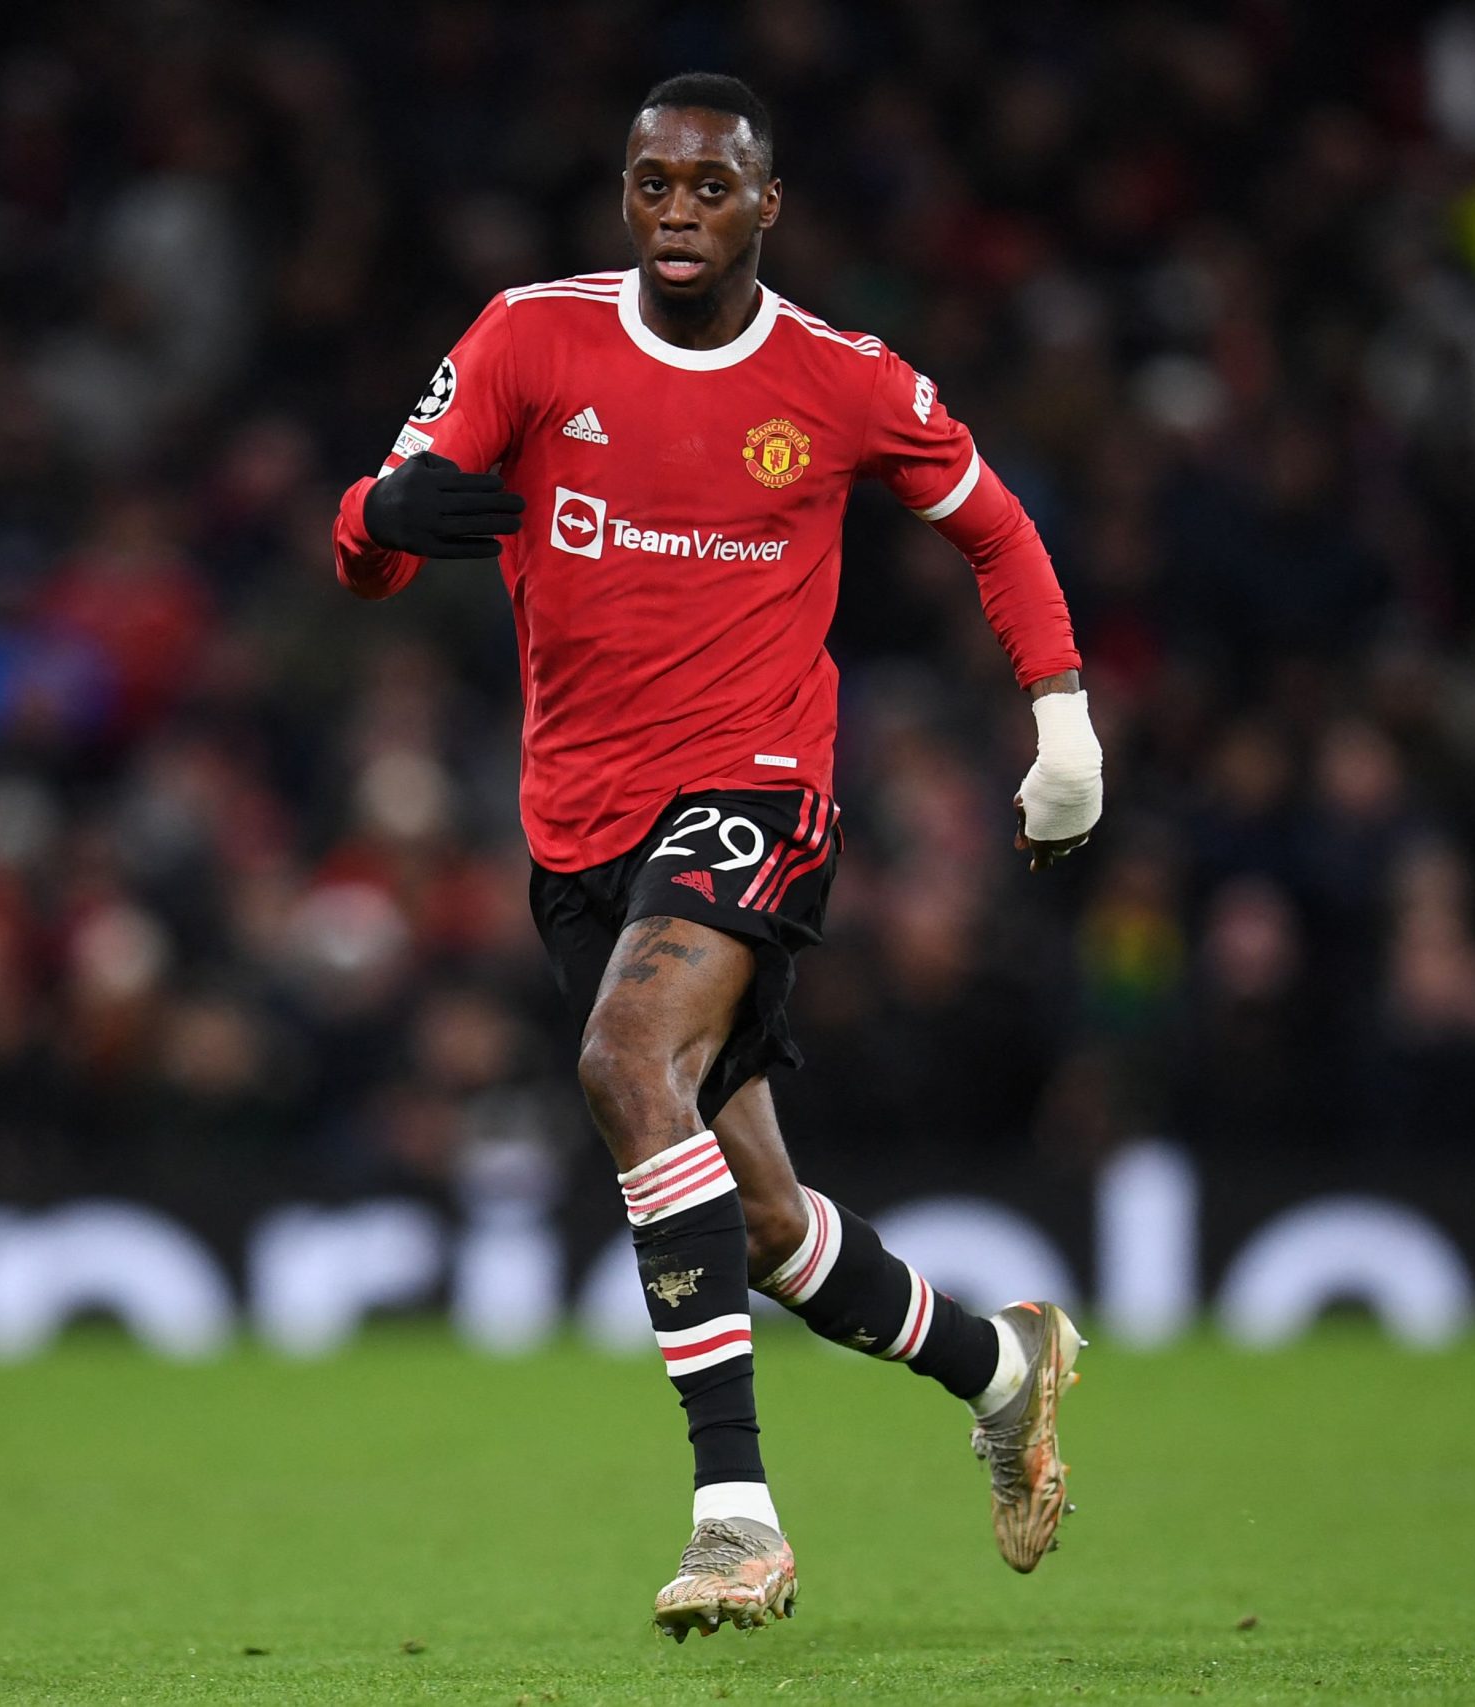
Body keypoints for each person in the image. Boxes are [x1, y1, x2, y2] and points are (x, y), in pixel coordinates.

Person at [331, 73, 1103, 1638]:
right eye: (650, 186)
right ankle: (1006, 1369)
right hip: (579, 832)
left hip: (757, 792)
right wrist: (383, 511)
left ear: (767, 206)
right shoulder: (529, 339)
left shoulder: (838, 378)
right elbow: (368, 545)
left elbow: (995, 526)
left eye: (708, 188)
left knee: (626, 1066)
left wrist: (1063, 719)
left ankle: (735, 1521)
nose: (676, 213)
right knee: (753, 1224)